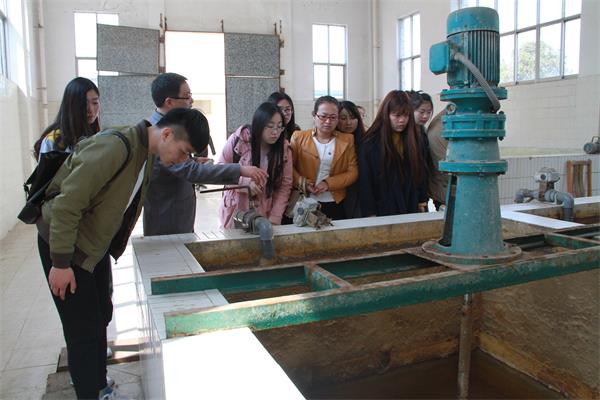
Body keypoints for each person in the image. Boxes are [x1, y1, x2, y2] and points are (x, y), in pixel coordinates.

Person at [36, 107, 210, 400]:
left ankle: (98, 384)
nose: (183, 160)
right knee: (83, 331)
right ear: (167, 134)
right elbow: (67, 204)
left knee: (101, 316)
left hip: (93, 247)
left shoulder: (147, 151)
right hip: (66, 247)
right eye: (184, 152)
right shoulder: (116, 146)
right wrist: (61, 263)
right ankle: (91, 392)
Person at [144, 73, 267, 236]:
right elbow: (192, 172)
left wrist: (193, 160)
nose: (191, 101)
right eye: (187, 96)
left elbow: (176, 166)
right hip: (167, 220)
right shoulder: (161, 135)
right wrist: (241, 170)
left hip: (178, 216)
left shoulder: (164, 128)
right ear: (169, 102)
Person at [218, 102, 293, 228]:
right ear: (259, 124)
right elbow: (219, 170)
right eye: (270, 126)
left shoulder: (284, 149)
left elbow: (285, 185)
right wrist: (244, 183)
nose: (275, 132)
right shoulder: (239, 140)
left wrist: (275, 217)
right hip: (235, 210)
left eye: (279, 127)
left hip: (264, 213)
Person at [359, 90, 429, 217]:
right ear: (386, 115)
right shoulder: (370, 144)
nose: (402, 120)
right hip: (383, 207)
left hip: (410, 204)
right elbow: (366, 182)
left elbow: (421, 171)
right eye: (396, 115)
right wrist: (370, 213)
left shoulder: (415, 140)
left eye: (406, 115)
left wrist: (422, 201)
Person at [290, 96, 358, 220]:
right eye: (323, 116)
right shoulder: (298, 137)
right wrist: (303, 182)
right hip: (304, 200)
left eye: (333, 117)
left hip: (335, 201)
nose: (328, 121)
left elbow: (353, 172)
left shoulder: (347, 139)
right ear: (314, 115)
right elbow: (289, 167)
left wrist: (328, 183)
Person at [337, 100, 366, 218]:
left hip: (359, 195)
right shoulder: (330, 142)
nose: (348, 122)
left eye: (353, 117)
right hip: (335, 193)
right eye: (343, 118)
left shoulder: (366, 142)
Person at [427, 110, 449, 210]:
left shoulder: (441, 119)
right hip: (447, 191)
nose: (425, 116)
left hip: (441, 191)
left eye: (428, 112)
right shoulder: (446, 121)